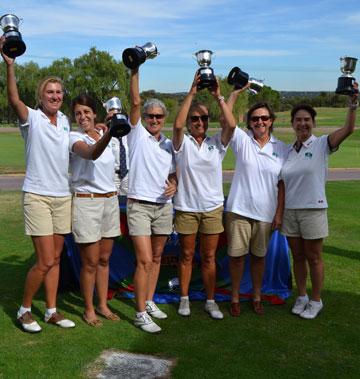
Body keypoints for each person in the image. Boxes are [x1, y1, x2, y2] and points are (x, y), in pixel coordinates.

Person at [0, 36, 75, 332]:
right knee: (44, 260)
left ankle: (52, 310)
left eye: (58, 92)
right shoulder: (31, 117)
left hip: (62, 196)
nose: (55, 96)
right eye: (49, 92)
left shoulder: (66, 120)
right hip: (38, 196)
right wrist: (10, 65)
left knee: (55, 258)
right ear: (41, 96)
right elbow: (13, 99)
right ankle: (24, 309)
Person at [281, 86, 358, 319]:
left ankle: (316, 300)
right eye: (298, 120)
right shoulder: (288, 151)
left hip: (313, 209)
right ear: (292, 123)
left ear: (312, 122)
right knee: (298, 257)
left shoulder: (322, 144)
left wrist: (352, 105)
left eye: (306, 120)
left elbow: (348, 129)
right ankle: (302, 295)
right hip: (290, 211)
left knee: (314, 257)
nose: (302, 124)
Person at [172, 73, 236, 319]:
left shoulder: (216, 143)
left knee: (209, 257)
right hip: (187, 207)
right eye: (195, 118)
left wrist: (218, 96)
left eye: (203, 118)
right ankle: (185, 298)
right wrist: (191, 93)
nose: (199, 122)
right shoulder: (182, 142)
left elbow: (231, 125)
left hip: (212, 208)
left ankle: (210, 301)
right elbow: (177, 125)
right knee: (187, 255)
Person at [224, 92, 288, 316]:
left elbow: (282, 185)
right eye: (255, 119)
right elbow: (227, 119)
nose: (260, 122)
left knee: (259, 257)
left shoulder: (282, 148)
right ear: (249, 122)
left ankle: (257, 296)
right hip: (239, 209)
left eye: (264, 118)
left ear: (271, 121)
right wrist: (232, 95)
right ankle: (234, 297)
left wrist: (279, 214)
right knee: (236, 257)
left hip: (265, 213)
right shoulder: (242, 140)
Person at [128, 67, 177, 333]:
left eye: (159, 116)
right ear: (144, 117)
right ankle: (138, 314)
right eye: (150, 116)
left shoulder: (168, 144)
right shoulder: (136, 135)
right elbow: (135, 101)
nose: (154, 119)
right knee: (144, 260)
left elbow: (173, 173)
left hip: (163, 207)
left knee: (157, 257)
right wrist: (135, 70)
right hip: (139, 205)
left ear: (164, 118)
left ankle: (148, 301)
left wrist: (175, 183)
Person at [69, 94, 121, 326]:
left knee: (104, 259)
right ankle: (89, 309)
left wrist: (107, 129)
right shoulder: (73, 137)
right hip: (86, 202)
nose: (82, 117)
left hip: (109, 201)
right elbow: (91, 154)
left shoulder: (102, 133)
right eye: (78, 113)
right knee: (89, 262)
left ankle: (102, 304)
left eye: (86, 112)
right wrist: (110, 131)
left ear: (94, 114)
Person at [105, 97, 130, 200]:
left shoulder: (129, 133)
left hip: (127, 174)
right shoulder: (105, 135)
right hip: (113, 175)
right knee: (113, 202)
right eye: (111, 118)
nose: (114, 120)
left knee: (127, 204)